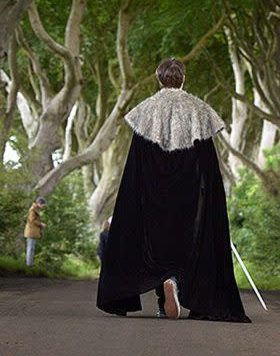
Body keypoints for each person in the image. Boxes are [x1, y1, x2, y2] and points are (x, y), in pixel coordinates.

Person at [96, 57, 250, 323]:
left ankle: (165, 283)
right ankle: (193, 297)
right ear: (183, 79)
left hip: (154, 195)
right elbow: (207, 165)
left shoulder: (145, 112)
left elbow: (137, 166)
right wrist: (207, 199)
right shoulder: (199, 111)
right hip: (189, 195)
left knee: (155, 241)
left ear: (159, 79)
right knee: (192, 243)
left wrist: (136, 200)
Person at [24, 197, 47, 267]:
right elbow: (32, 220)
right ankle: (29, 265)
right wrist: (41, 224)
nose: (43, 207)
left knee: (32, 249)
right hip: (31, 232)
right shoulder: (33, 210)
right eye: (43, 205)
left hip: (33, 232)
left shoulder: (37, 209)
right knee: (30, 249)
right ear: (39, 203)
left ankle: (30, 264)